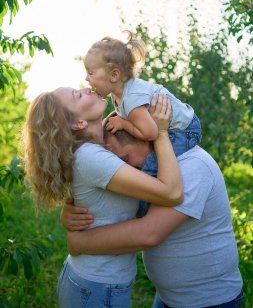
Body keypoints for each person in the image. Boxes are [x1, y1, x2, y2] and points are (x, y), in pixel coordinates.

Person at [23, 87, 183, 308]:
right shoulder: (91, 157)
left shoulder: (99, 145)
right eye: (78, 96)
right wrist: (162, 133)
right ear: (78, 124)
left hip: (95, 282)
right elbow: (172, 193)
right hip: (96, 285)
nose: (86, 88)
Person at [62, 128, 244, 308]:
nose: (124, 169)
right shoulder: (151, 169)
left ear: (144, 137)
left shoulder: (192, 165)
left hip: (210, 301)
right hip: (167, 298)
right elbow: (117, 207)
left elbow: (149, 233)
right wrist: (70, 214)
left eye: (125, 159)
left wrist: (78, 242)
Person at [84, 32, 201, 168]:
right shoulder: (119, 93)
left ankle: (159, 188)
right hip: (180, 125)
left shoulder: (132, 99)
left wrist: (123, 124)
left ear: (114, 75)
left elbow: (150, 133)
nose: (86, 79)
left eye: (91, 73)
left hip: (184, 130)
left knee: (151, 166)